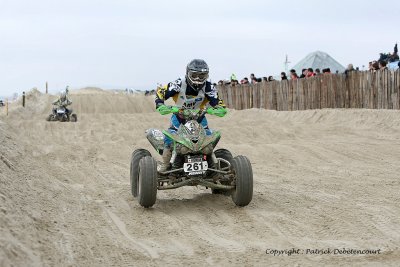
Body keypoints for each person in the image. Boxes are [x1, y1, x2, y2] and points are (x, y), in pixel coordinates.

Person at [155, 59, 227, 172]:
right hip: (179, 118)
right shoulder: (178, 83)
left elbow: (218, 102)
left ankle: (212, 165)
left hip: (200, 118)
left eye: (202, 75)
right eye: (194, 75)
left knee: (209, 137)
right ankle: (166, 165)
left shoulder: (209, 87)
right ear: (188, 73)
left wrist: (219, 109)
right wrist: (160, 104)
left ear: (207, 75)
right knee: (170, 138)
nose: (198, 79)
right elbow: (161, 92)